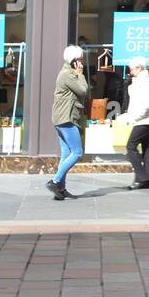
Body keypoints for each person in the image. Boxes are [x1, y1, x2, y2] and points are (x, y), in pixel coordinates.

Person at [48, 45, 88, 201]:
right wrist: (80, 75)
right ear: (75, 61)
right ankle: (55, 181)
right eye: (81, 59)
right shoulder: (68, 75)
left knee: (66, 153)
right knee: (77, 152)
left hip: (61, 118)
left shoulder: (67, 73)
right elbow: (83, 90)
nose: (83, 62)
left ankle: (61, 189)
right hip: (66, 118)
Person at [118, 56, 149, 190]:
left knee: (131, 146)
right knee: (147, 148)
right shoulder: (139, 80)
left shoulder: (146, 81)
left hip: (144, 120)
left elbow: (145, 104)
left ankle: (142, 177)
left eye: (132, 69)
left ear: (140, 68)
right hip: (147, 120)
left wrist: (134, 118)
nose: (130, 72)